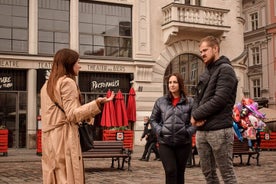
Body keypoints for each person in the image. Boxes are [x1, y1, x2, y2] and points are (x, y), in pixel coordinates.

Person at [40, 48, 115, 184]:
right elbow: (72, 115)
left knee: (54, 176)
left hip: (49, 139)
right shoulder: (67, 82)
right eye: (77, 62)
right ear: (69, 64)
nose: (80, 65)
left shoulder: (46, 85)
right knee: (68, 177)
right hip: (64, 138)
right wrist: (97, 104)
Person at [191, 35, 238, 184]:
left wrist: (196, 115)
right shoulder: (206, 72)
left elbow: (219, 100)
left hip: (220, 130)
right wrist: (194, 115)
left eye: (205, 50)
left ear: (215, 49)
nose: (202, 54)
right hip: (202, 131)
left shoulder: (226, 70)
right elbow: (196, 97)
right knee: (208, 174)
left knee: (227, 174)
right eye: (201, 51)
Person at [150, 73, 196, 184]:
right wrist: (160, 131)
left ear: (180, 84)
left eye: (175, 82)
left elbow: (195, 122)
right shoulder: (161, 102)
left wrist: (187, 132)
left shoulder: (190, 102)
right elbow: (153, 120)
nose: (172, 85)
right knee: (170, 171)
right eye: (170, 82)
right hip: (165, 143)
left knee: (180, 173)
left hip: (183, 143)